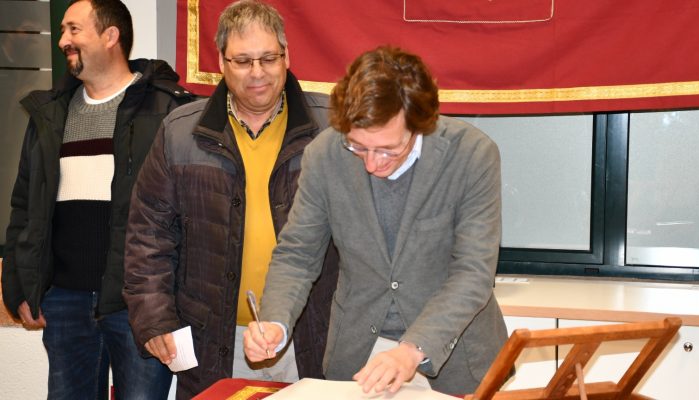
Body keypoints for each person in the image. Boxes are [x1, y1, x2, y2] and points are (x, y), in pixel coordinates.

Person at [244, 45, 509, 395]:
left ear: (419, 125)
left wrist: (412, 350)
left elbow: (473, 272)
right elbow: (297, 255)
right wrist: (275, 323)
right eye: (358, 147)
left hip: (454, 356)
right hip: (359, 353)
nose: (372, 164)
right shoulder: (324, 155)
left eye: (388, 150)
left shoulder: (471, 155)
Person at [122, 1, 338, 398]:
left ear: (287, 57)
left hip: (314, 335)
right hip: (215, 342)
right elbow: (148, 237)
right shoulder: (180, 133)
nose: (257, 72)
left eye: (268, 58)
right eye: (242, 61)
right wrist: (154, 318)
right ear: (221, 62)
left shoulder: (333, 127)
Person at [0, 0, 193, 398]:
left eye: (74, 30)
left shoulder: (168, 110)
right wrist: (19, 285)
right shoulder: (49, 113)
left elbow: (191, 211)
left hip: (138, 305)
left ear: (110, 36)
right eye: (62, 31)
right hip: (63, 302)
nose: (62, 41)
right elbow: (24, 206)